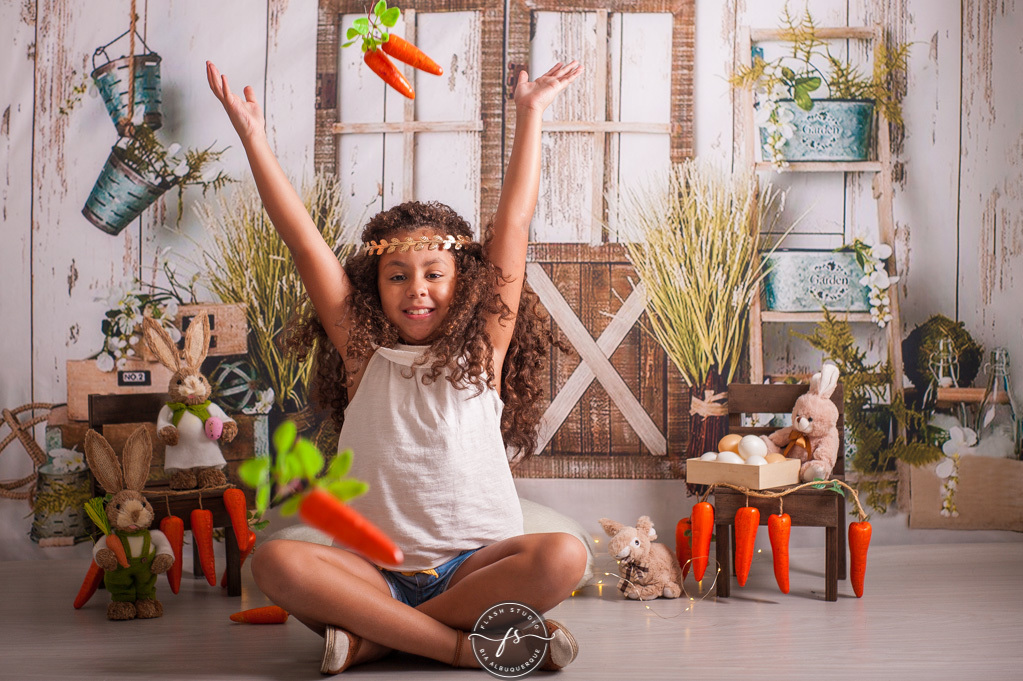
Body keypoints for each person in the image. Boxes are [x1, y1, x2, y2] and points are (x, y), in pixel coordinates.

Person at [207, 57, 587, 674]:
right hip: (373, 571)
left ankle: (378, 637)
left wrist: (531, 113)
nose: (418, 290)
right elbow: (303, 240)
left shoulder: (484, 351)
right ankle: (463, 645)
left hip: (472, 569)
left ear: (466, 283)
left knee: (564, 556)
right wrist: (253, 137)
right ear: (373, 286)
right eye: (398, 276)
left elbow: (515, 222)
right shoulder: (362, 352)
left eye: (435, 274)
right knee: (275, 561)